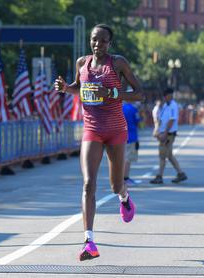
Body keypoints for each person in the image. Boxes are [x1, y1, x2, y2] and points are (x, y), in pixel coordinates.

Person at [54, 24, 144, 261]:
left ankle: (124, 198)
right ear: (90, 41)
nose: (98, 45)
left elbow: (139, 93)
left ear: (109, 43)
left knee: (115, 186)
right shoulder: (82, 63)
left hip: (115, 131)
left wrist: (112, 94)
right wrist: (65, 88)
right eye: (94, 40)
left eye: (103, 41)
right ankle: (89, 241)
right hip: (92, 130)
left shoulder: (118, 63)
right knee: (88, 184)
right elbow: (79, 88)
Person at [149, 88, 187, 184]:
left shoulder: (173, 105)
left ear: (170, 95)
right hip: (164, 133)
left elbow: (171, 120)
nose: (164, 98)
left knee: (162, 156)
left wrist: (164, 133)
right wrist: (157, 130)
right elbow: (161, 119)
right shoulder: (166, 105)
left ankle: (159, 176)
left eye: (165, 96)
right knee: (169, 155)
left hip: (168, 134)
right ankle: (181, 173)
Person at [122, 100, 141, 186]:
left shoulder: (120, 108)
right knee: (128, 158)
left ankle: (123, 178)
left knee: (122, 158)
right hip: (131, 136)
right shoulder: (133, 109)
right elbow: (138, 121)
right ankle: (125, 178)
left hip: (121, 136)